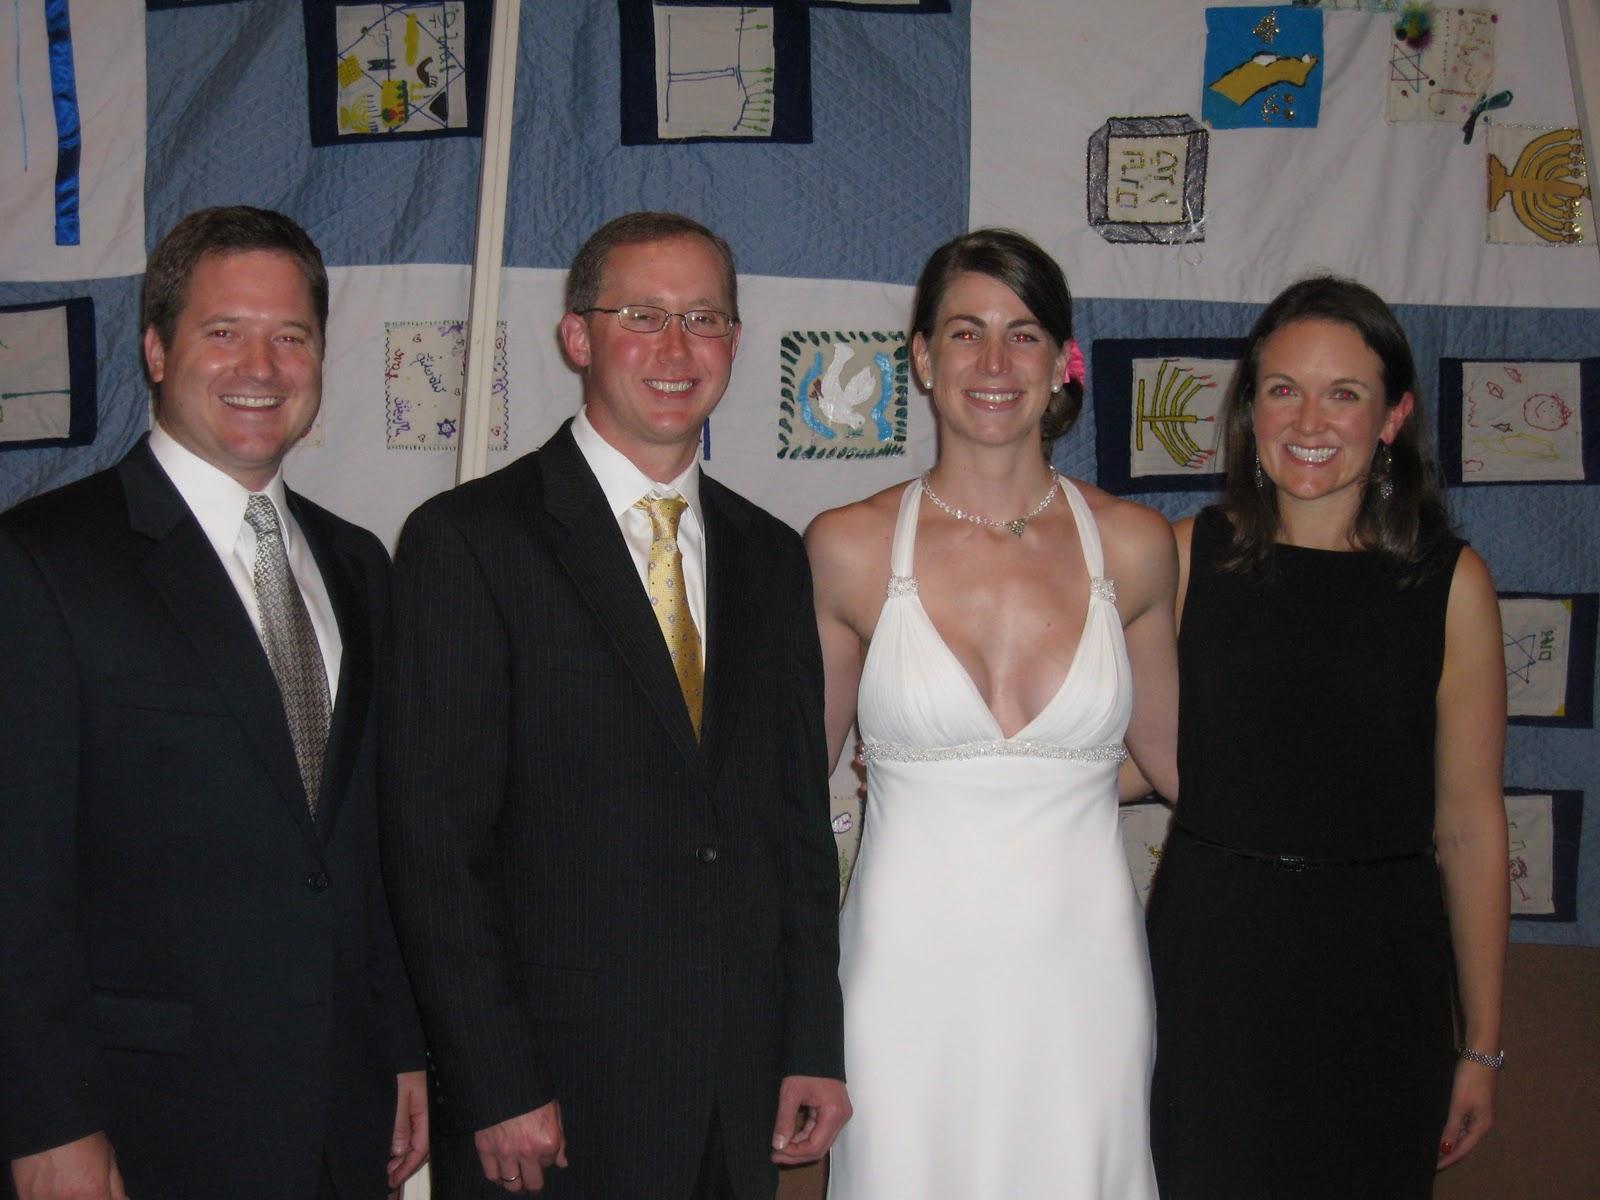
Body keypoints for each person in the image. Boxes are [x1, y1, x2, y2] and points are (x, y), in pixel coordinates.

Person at [380, 211, 849, 1199]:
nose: (678, 349)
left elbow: (798, 829)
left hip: (736, 1084)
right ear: (577, 336)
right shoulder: (469, 542)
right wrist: (494, 1078)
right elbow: (434, 846)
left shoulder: (771, 555)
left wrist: (812, 1040)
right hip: (550, 1100)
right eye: (643, 315)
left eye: (706, 318)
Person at [0, 206, 428, 1200]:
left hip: (343, 1100)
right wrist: (48, 1120)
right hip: (146, 1115)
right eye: (223, 332)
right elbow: (14, 879)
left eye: (292, 337)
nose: (261, 367)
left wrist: (400, 1040)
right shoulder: (43, 564)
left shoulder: (360, 563)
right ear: (155, 349)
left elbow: (362, 844)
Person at [807, 228, 1178, 1198]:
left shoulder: (1133, 547)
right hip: (900, 987)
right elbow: (784, 787)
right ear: (922, 359)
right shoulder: (845, 548)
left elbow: (1179, 762)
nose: (993, 363)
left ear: (1062, 361)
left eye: (1022, 334)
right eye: (964, 333)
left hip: (1084, 985)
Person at [1146, 276, 1508, 1198]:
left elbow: (1468, 827)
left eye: (1344, 392)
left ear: (1393, 417)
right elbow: (1120, 756)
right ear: (1250, 411)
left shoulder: (1452, 585)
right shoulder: (1185, 558)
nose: (1311, 419)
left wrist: (1482, 1044)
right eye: (1283, 389)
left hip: (1380, 976)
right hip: (1213, 967)